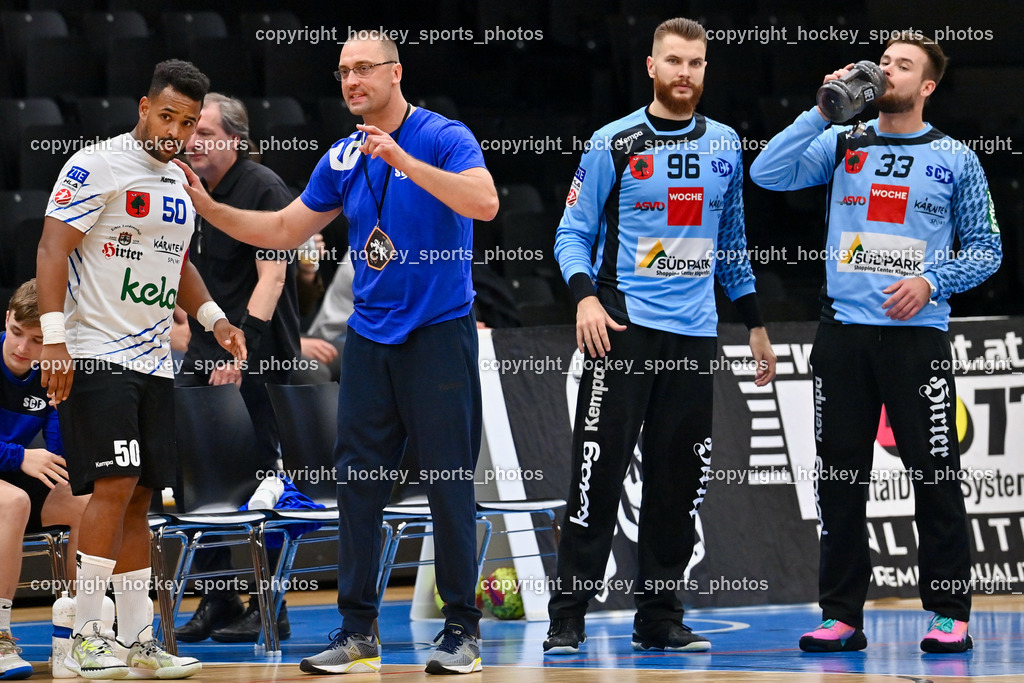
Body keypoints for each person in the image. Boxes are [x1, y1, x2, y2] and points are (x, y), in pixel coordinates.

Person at [172, 31, 498, 675]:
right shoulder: (343, 156)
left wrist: (402, 161)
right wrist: (208, 206)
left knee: (448, 483)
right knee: (357, 487)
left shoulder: (442, 135)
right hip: (371, 342)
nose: (351, 81)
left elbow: (483, 202)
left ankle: (462, 629)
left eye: (363, 69)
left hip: (439, 332)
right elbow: (287, 229)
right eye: (343, 71)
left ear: (396, 72)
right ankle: (357, 631)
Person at [750, 32, 1001, 654]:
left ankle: (949, 615)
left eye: (903, 65)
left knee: (935, 477)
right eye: (883, 61)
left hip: (916, 340)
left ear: (927, 86)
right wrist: (824, 108)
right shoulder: (843, 142)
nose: (887, 71)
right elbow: (766, 173)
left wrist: (932, 280)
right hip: (843, 336)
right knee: (839, 481)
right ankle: (841, 616)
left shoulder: (957, 159)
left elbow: (988, 250)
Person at [544, 17, 776, 656]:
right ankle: (567, 616)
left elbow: (731, 247)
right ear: (651, 66)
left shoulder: (726, 143)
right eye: (673, 61)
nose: (685, 73)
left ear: (706, 69)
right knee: (597, 474)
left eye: (696, 64)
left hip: (695, 337)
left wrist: (755, 325)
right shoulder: (612, 143)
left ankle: (660, 616)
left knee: (679, 482)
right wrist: (586, 299)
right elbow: (570, 235)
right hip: (621, 330)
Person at [35, 59, 246, 679]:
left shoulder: (178, 180)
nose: (173, 131)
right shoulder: (93, 165)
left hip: (154, 361)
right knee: (112, 489)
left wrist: (213, 320)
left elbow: (174, 261)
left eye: (186, 123)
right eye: (165, 116)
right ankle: (87, 636)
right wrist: (53, 340)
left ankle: (135, 639)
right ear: (142, 107)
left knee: (143, 498)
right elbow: (52, 247)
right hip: (96, 351)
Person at [173, 92, 299, 644]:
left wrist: (240, 349)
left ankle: (272, 604)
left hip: (261, 357)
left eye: (203, 131)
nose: (192, 140)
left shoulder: (263, 187)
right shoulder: (184, 187)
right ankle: (218, 596)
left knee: (261, 483)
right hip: (203, 356)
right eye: (188, 131)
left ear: (235, 139)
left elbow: (270, 279)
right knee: (197, 478)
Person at [0, 280, 91, 680]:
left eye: (37, 340)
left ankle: (80, 633)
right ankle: (0, 636)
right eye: (17, 332)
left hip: (10, 477)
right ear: (7, 318)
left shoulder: (49, 368)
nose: (22, 348)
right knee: (14, 502)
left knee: (86, 504)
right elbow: (25, 459)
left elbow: (59, 456)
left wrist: (62, 400)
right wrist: (18, 455)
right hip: (10, 479)